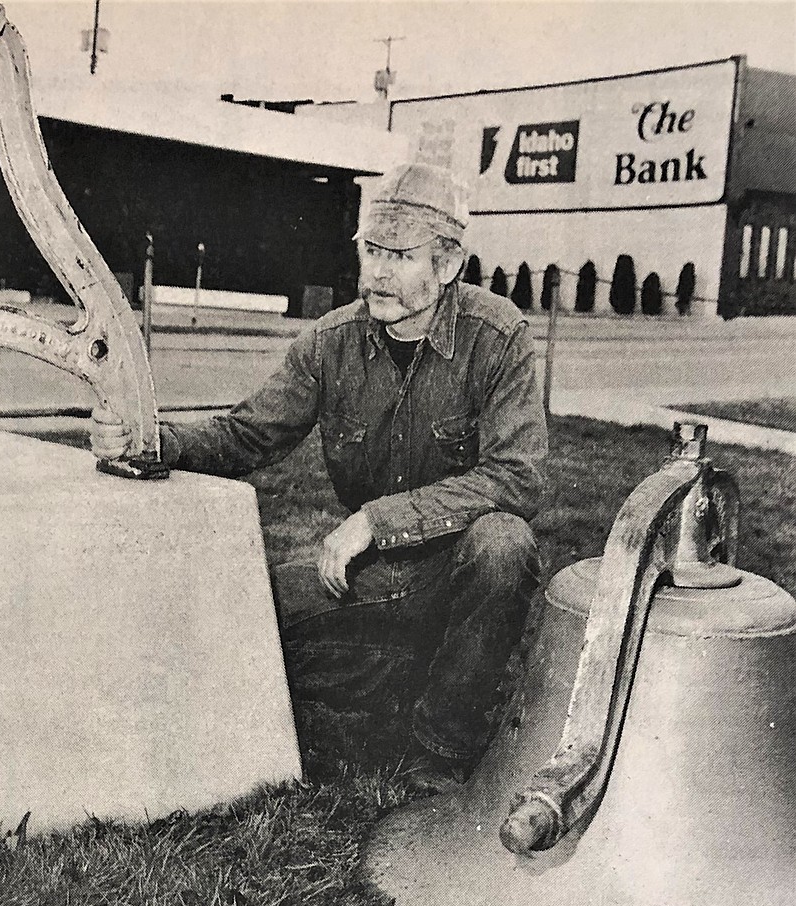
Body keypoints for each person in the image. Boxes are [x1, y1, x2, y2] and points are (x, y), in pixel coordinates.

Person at [91, 162, 548, 794]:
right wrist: (150, 439)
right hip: (369, 578)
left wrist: (378, 518)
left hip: (457, 572)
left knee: (505, 543)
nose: (378, 273)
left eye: (401, 255)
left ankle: (439, 750)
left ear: (448, 265)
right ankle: (409, 679)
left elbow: (520, 477)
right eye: (371, 251)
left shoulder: (498, 338)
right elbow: (247, 434)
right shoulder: (328, 343)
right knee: (242, 621)